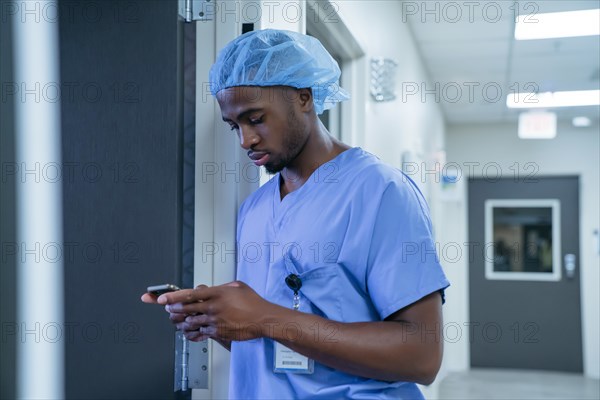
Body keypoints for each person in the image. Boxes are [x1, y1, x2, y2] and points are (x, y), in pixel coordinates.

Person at [142, 29, 450, 399]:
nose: (245, 140)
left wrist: (264, 317)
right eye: (233, 126)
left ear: (304, 98)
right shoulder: (255, 208)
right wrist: (221, 321)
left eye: (255, 118)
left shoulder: (380, 192)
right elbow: (278, 342)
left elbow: (422, 356)